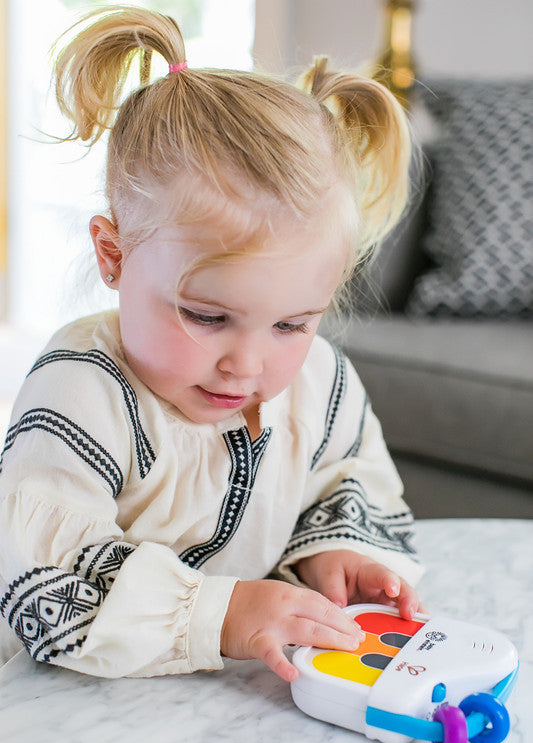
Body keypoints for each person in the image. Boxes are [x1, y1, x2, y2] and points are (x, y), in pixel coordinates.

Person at [0, 6, 424, 681]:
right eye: (205, 315)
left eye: (291, 323)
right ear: (114, 255)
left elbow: (345, 480)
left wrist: (334, 552)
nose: (247, 364)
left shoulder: (320, 381)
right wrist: (220, 615)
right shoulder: (81, 393)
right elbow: (47, 576)